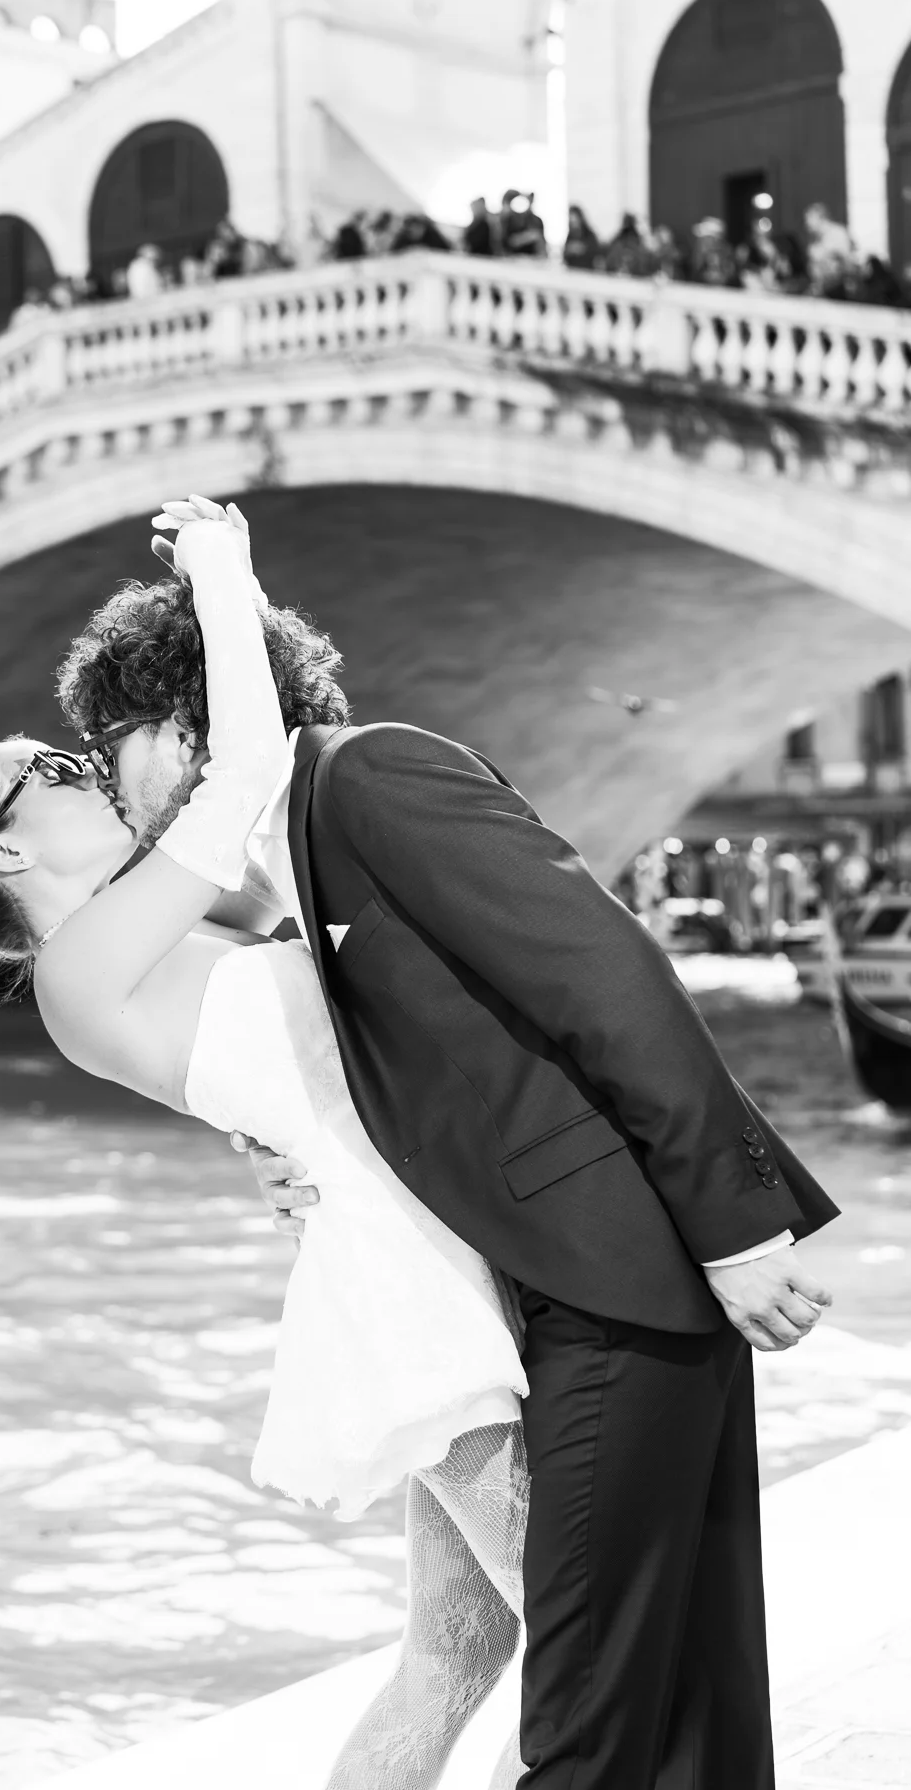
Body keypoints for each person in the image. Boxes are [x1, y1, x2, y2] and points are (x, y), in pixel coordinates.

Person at [57, 524, 839, 1789]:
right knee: (676, 1696)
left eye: (113, 747)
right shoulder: (295, 860)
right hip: (559, 1286)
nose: (112, 784)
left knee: (588, 1717)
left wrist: (735, 1225)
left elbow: (605, 968)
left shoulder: (370, 777)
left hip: (614, 1280)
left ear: (180, 724)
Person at [0, 503, 529, 1790]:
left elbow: (294, 1045)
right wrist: (227, 584)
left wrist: (261, 1145)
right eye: (54, 773)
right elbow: (241, 784)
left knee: (465, 1648)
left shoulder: (148, 936)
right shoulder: (78, 962)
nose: (85, 768)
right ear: (8, 847)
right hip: (408, 1289)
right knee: (585, 1612)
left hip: (421, 1243)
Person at [561, 205, 600, 271]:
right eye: (572, 222)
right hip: (572, 270)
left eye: (575, 221)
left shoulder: (589, 235)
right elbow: (565, 255)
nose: (573, 224)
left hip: (587, 270)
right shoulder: (570, 236)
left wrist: (581, 248)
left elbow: (595, 253)